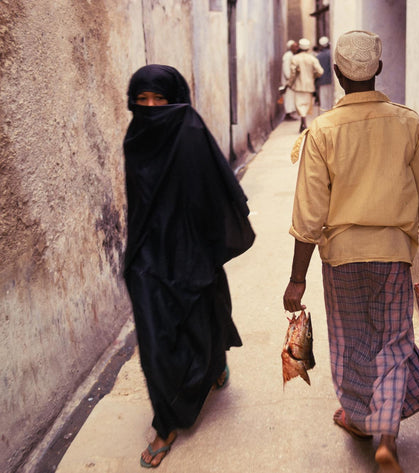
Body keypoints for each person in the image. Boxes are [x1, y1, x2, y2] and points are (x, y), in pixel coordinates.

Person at [282, 30, 419, 473]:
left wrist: (297, 278)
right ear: (378, 68)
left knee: (351, 343)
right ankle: (386, 441)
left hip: (341, 260)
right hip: (394, 255)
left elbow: (308, 215)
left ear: (336, 74)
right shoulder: (408, 122)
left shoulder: (321, 131)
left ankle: (359, 419)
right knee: (393, 343)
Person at [123, 64, 254, 468]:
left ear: (174, 99)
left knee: (200, 319)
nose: (150, 108)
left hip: (190, 248)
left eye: (159, 100)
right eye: (142, 100)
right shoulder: (137, 136)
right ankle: (166, 423)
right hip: (148, 253)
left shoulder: (191, 133)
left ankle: (215, 363)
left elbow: (213, 194)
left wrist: (201, 248)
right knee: (154, 341)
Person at [286, 38, 324, 132]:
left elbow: (293, 74)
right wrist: (313, 76)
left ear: (299, 47)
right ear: (308, 48)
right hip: (309, 86)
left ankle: (303, 122)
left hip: (298, 86)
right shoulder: (312, 58)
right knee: (306, 105)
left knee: (299, 105)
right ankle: (304, 122)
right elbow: (320, 71)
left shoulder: (295, 58)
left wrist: (290, 84)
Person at [281, 39, 299, 120]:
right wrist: (289, 79)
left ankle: (290, 114)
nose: (297, 48)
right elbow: (286, 69)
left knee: (291, 98)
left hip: (291, 81)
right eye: (295, 46)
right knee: (288, 98)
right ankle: (288, 115)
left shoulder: (291, 55)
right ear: (290, 47)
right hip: (288, 82)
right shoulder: (288, 56)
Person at [315, 36, 333, 112]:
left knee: (323, 99)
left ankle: (324, 114)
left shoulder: (318, 56)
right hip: (330, 80)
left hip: (321, 80)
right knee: (330, 98)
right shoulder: (331, 54)